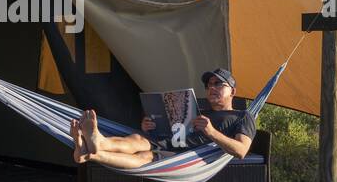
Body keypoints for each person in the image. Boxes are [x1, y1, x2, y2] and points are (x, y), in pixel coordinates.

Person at [70, 67, 255, 169]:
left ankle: (93, 152)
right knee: (136, 139)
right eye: (208, 85)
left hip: (185, 156)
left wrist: (212, 132)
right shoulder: (198, 108)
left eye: (218, 84)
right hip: (165, 139)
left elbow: (241, 151)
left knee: (144, 157)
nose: (211, 88)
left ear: (233, 91)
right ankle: (97, 143)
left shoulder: (241, 116)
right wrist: (152, 124)